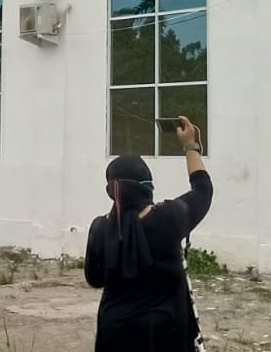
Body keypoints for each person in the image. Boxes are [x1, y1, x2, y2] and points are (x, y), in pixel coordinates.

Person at [85, 117, 214, 351]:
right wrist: (191, 146)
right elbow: (203, 190)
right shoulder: (170, 217)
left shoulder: (99, 228)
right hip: (164, 334)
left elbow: (95, 279)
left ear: (112, 190)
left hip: (113, 333)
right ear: (147, 185)